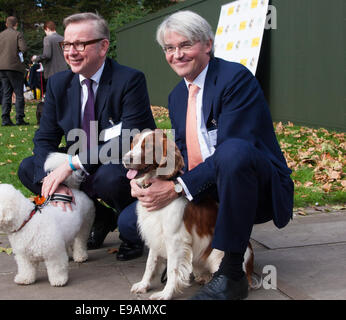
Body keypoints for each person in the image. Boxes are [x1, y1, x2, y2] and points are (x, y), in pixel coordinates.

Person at [121, 10, 294, 300]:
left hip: (253, 184)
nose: (177, 54)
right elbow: (185, 155)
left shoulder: (235, 79)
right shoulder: (177, 96)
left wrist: (178, 188)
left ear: (207, 45)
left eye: (185, 45)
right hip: (208, 183)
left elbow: (236, 148)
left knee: (233, 152)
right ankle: (197, 255)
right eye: (169, 48)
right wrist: (148, 183)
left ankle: (231, 273)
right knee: (130, 221)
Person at [17, 12, 156, 261]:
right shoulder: (59, 83)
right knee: (29, 168)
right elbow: (45, 138)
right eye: (67, 44)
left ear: (103, 46)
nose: (71, 51)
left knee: (110, 177)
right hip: (79, 162)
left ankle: (132, 233)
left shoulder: (130, 80)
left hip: (118, 163)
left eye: (80, 44)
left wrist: (71, 165)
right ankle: (102, 219)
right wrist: (54, 182)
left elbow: (132, 137)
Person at [0, 16, 29, 126]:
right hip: (14, 66)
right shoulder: (17, 34)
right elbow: (24, 49)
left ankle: (5, 118)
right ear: (15, 24)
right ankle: (19, 118)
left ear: (6, 24)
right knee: (18, 93)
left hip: (0, 67)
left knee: (7, 93)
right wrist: (20, 57)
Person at [35, 20, 68, 96]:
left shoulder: (47, 39)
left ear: (47, 28)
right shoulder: (62, 39)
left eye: (45, 31)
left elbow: (47, 55)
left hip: (52, 71)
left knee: (53, 94)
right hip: (64, 69)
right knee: (62, 93)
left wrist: (36, 58)